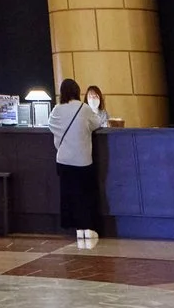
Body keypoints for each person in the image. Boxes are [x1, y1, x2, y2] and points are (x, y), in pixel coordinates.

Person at [48, 77, 106, 242]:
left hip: (64, 160)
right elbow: (97, 123)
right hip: (82, 160)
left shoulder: (56, 109)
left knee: (68, 195)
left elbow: (50, 125)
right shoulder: (84, 108)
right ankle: (87, 227)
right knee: (85, 195)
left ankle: (75, 229)